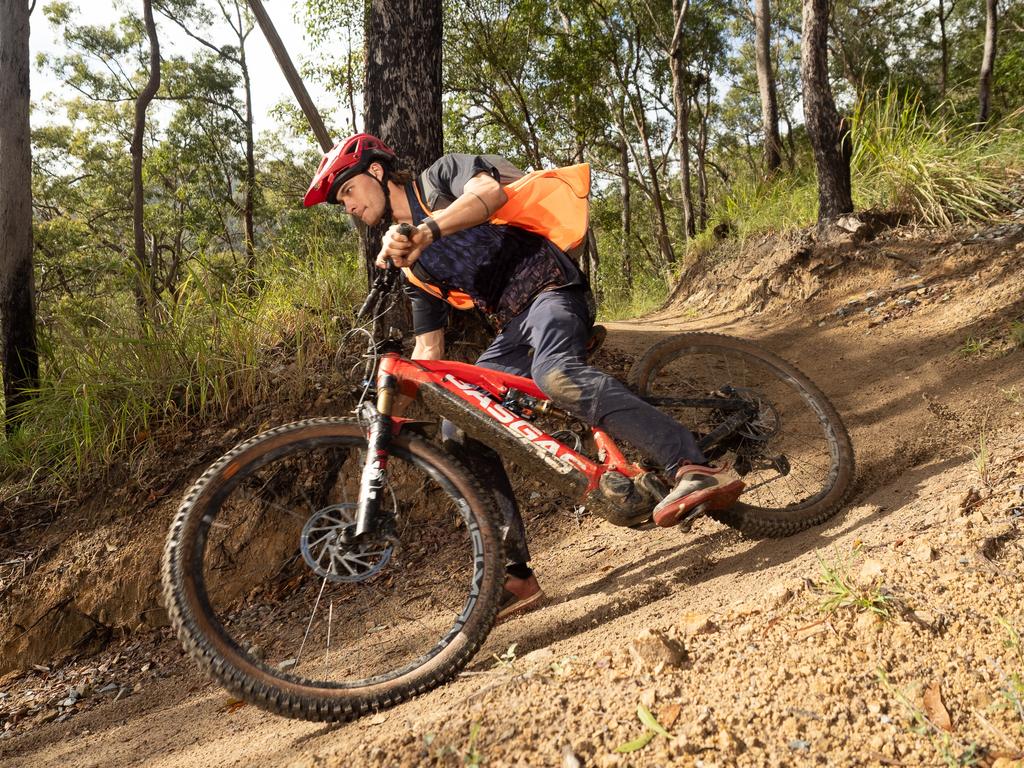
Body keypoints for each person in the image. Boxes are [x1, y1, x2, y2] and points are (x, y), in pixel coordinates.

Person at [304, 133, 741, 621]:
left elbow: (489, 194)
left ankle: (692, 465)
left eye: (347, 191)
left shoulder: (440, 176)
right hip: (512, 327)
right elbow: (429, 351)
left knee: (556, 374)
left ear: (378, 172)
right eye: (340, 200)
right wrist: (385, 414)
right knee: (462, 427)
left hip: (551, 288)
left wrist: (426, 230)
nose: (347, 206)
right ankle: (516, 576)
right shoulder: (415, 271)